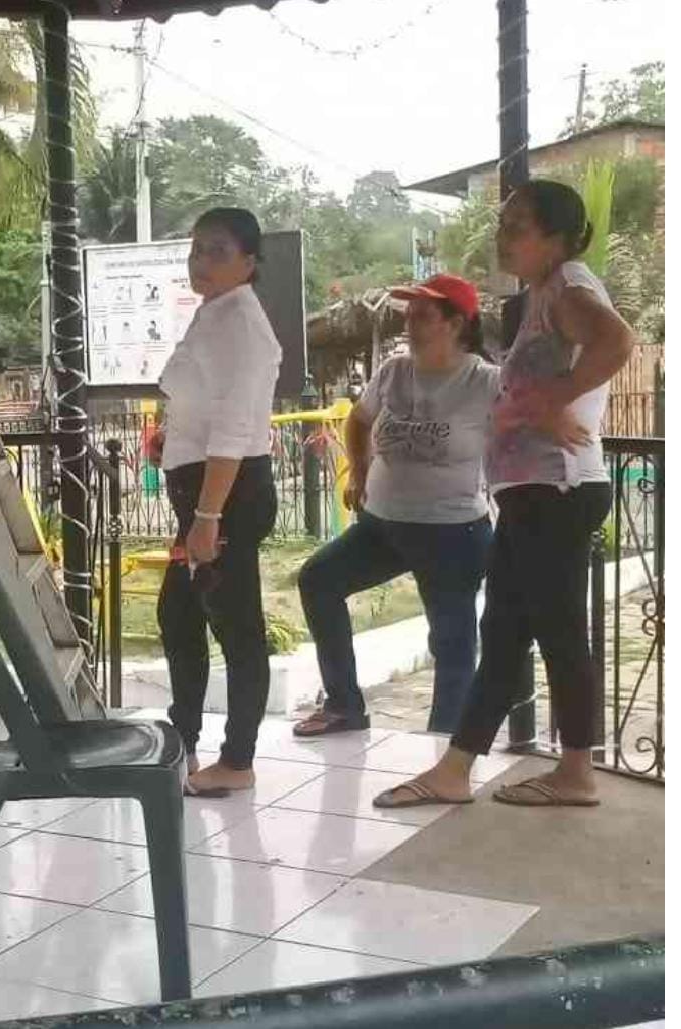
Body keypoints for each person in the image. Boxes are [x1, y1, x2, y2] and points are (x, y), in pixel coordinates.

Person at [373, 180, 636, 811]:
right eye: (502, 223)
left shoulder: (569, 286)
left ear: (558, 237)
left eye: (516, 226)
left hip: (557, 491)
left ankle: (575, 773)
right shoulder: (544, 294)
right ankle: (455, 769)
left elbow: (618, 341)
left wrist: (555, 397)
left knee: (559, 633)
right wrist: (542, 402)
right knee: (504, 633)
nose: (502, 236)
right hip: (532, 495)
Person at [293, 274, 497, 738]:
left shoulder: (484, 381)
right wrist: (359, 471)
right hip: (383, 525)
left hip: (452, 532)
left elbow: (521, 432)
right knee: (319, 581)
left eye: (423, 315)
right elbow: (359, 420)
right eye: (409, 314)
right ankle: (344, 706)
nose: (410, 323)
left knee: (451, 641)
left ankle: (446, 743)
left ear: (456, 324)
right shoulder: (393, 371)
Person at [155, 207, 281, 797]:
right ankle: (182, 739)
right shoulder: (215, 313)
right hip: (203, 491)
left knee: (237, 628)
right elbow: (201, 404)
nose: (201, 261)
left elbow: (233, 431)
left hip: (225, 495)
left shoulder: (243, 326)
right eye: (197, 249)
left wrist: (207, 519)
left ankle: (238, 759)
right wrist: (173, 437)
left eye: (218, 251)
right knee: (179, 615)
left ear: (249, 262)